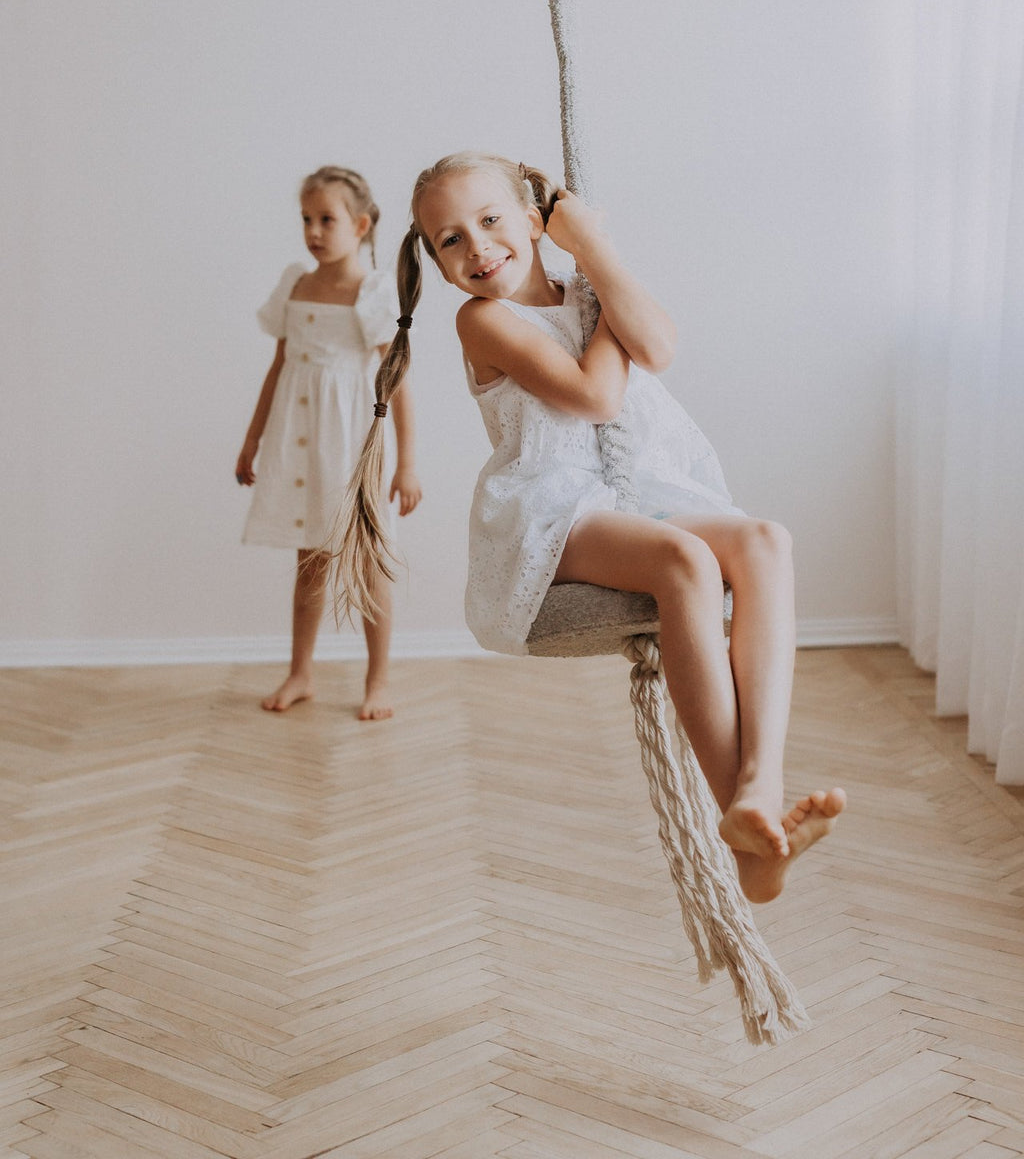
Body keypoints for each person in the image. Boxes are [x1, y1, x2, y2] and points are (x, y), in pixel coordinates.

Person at [335, 151, 843, 899]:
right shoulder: (485, 321)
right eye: (449, 240)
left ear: (537, 221)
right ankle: (738, 818)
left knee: (767, 540)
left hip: (635, 490)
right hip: (553, 508)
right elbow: (597, 397)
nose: (476, 248)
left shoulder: (586, 284)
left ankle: (758, 791)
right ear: (436, 262)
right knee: (686, 562)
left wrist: (596, 257)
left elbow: (660, 348)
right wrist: (600, 283)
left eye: (490, 220)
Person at [237, 165, 421, 718]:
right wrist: (252, 440)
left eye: (327, 219)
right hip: (299, 436)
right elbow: (277, 367)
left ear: (361, 224)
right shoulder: (296, 283)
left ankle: (378, 680)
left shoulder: (372, 292)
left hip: (349, 437)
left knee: (366, 563)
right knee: (309, 560)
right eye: (306, 219)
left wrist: (407, 463)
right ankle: (301, 672)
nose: (314, 231)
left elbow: (397, 379)